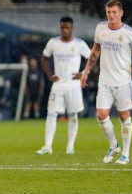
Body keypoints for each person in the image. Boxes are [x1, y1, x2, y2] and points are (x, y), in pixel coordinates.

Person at [80, 0, 132, 165]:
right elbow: (95, 51)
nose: (111, 15)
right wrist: (86, 71)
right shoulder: (101, 28)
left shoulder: (129, 32)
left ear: (121, 13)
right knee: (101, 115)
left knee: (124, 117)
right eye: (109, 12)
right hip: (104, 82)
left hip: (123, 82)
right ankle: (114, 145)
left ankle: (125, 154)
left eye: (114, 12)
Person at [36, 16, 91, 155]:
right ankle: (48, 146)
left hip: (73, 85)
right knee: (51, 113)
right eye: (62, 28)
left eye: (67, 28)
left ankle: (70, 146)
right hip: (58, 85)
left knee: (73, 115)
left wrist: (83, 73)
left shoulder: (79, 44)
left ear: (72, 28)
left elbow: (92, 58)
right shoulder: (53, 42)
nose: (64, 30)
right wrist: (49, 75)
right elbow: (44, 58)